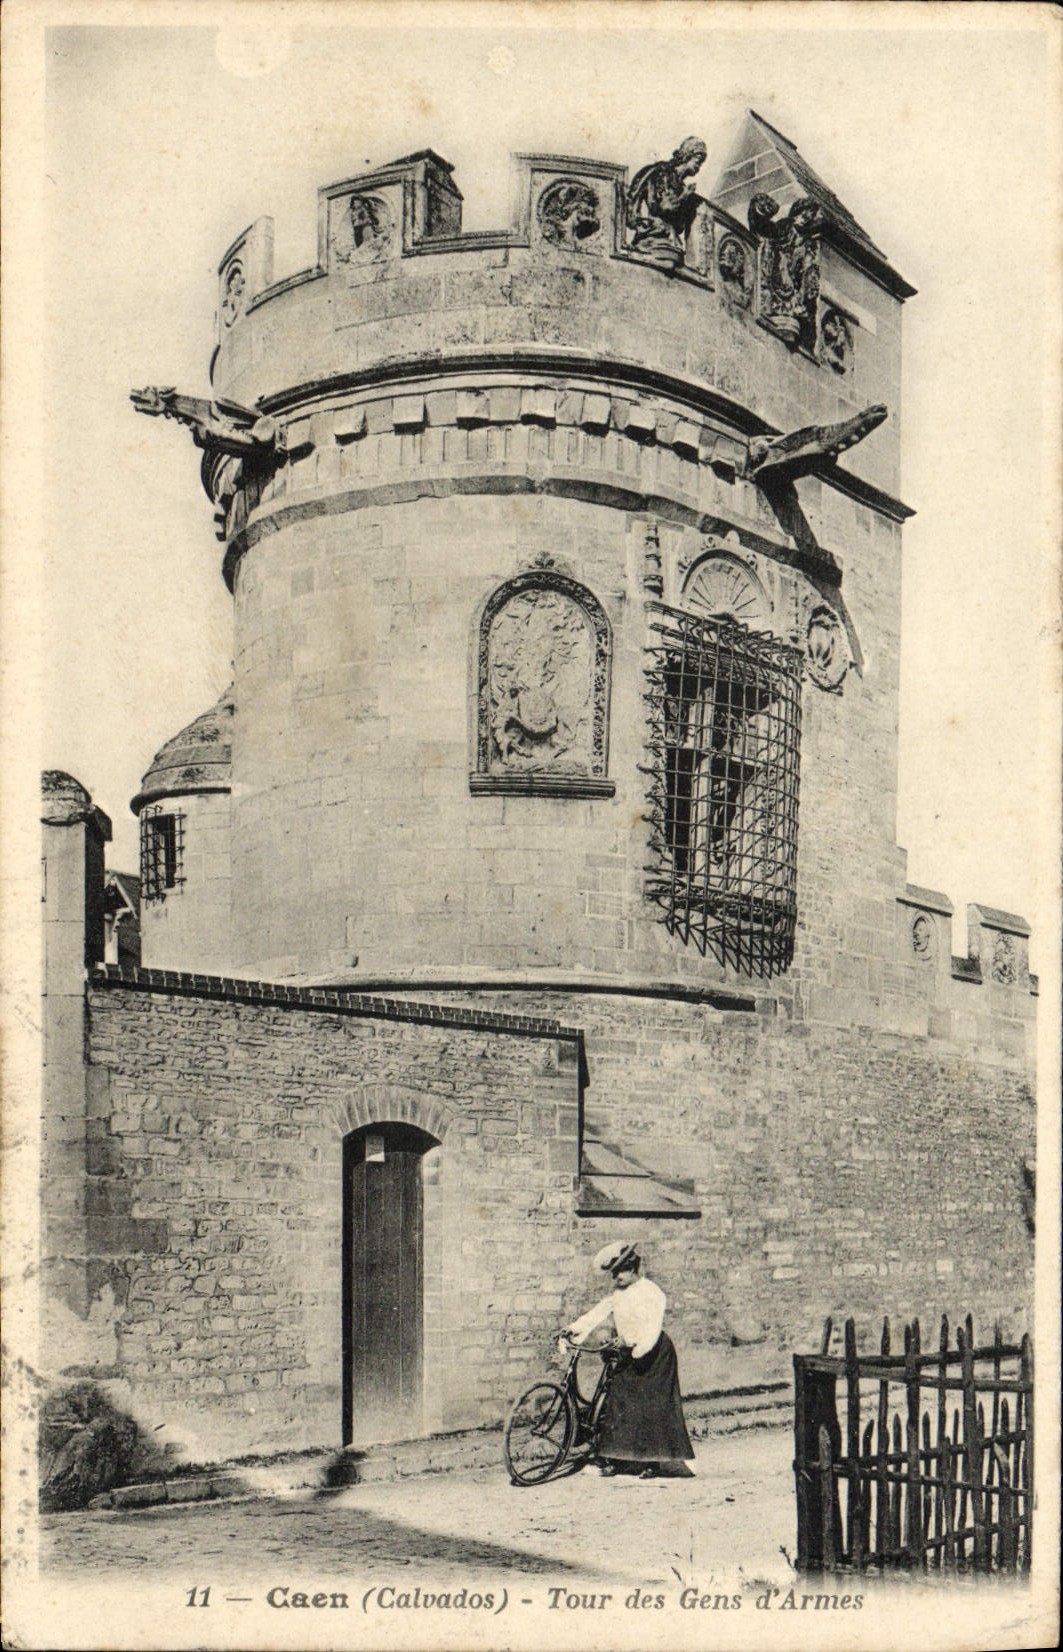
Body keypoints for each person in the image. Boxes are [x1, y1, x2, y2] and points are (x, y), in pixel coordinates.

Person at [561, 1240, 694, 1479]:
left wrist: (632, 1345)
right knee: (618, 1400)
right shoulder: (619, 1293)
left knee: (651, 1406)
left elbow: (651, 1328)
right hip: (630, 1350)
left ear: (633, 1270)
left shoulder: (652, 1293)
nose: (616, 1278)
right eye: (613, 1273)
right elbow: (599, 1312)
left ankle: (652, 1463)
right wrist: (575, 1328)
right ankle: (615, 1458)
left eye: (619, 1272)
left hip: (655, 1354)